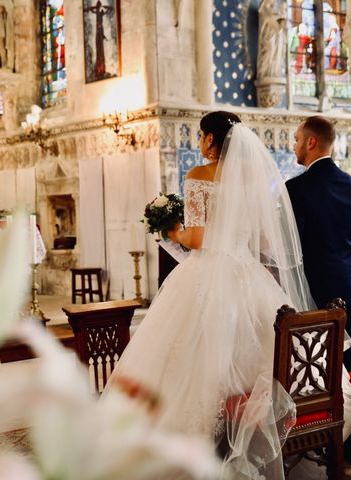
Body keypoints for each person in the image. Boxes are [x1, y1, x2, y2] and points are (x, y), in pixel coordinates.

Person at [102, 111, 315, 477]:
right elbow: (260, 238)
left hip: (209, 270)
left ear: (213, 141)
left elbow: (197, 239)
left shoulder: (198, 176)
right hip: (248, 270)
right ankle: (247, 439)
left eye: (202, 136)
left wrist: (172, 231)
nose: (198, 143)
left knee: (184, 354)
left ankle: (196, 450)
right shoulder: (253, 179)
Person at [286, 116, 351, 478]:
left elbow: (292, 249)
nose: (293, 146)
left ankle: (330, 447)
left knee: (322, 369)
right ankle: (346, 448)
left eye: (295, 140)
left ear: (309, 143)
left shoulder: (297, 188)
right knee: (343, 359)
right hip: (349, 289)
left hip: (315, 292)